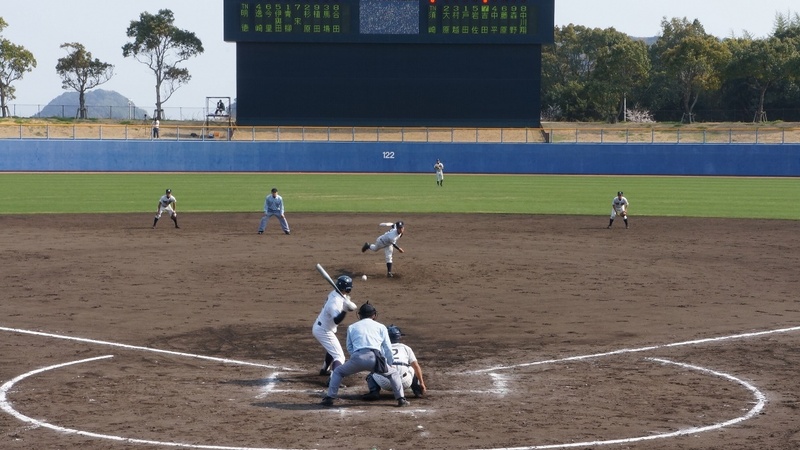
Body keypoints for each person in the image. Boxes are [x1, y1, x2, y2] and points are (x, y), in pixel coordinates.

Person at [321, 302, 410, 408]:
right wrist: (389, 363)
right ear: (374, 315)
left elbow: (349, 347)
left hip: (357, 357)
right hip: (375, 359)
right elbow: (387, 348)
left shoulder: (352, 327)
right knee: (393, 374)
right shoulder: (381, 327)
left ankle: (330, 399)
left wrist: (357, 358)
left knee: (338, 372)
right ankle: (401, 400)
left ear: (359, 315)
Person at [362, 324, 427, 400]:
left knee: (373, 370)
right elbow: (416, 366)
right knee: (412, 368)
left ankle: (374, 392)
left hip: (384, 383)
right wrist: (422, 383)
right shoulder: (406, 348)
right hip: (404, 383)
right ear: (399, 337)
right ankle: (418, 391)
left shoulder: (379, 347)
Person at [312, 275, 356, 377]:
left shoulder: (339, 294)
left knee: (332, 349)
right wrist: (345, 310)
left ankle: (324, 369)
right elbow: (336, 320)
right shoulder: (334, 302)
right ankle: (333, 379)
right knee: (339, 356)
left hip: (324, 327)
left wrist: (347, 303)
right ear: (348, 288)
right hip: (323, 330)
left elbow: (344, 300)